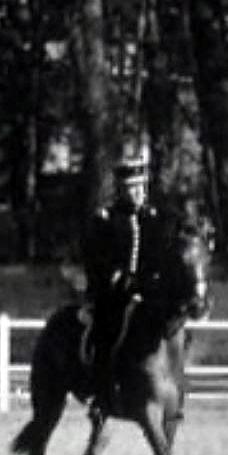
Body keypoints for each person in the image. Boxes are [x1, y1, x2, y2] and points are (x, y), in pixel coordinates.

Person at [81, 155, 162, 416]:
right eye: (130, 188)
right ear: (120, 190)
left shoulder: (154, 218)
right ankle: (102, 394)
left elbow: (160, 254)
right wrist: (114, 276)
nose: (137, 193)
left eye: (140, 187)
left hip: (146, 291)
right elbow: (94, 257)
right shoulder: (105, 218)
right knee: (107, 333)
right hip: (114, 295)